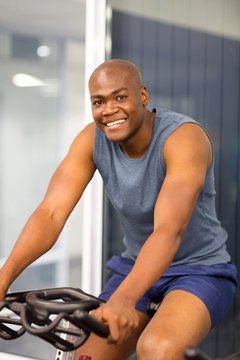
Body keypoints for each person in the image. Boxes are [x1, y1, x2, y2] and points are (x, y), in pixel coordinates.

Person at [0, 59, 237, 360]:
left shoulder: (183, 138)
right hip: (135, 266)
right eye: (99, 101)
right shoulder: (91, 140)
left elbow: (169, 229)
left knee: (157, 349)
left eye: (120, 97)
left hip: (200, 270)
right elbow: (51, 213)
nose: (109, 109)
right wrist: (4, 277)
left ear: (143, 96)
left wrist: (124, 299)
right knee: (83, 355)